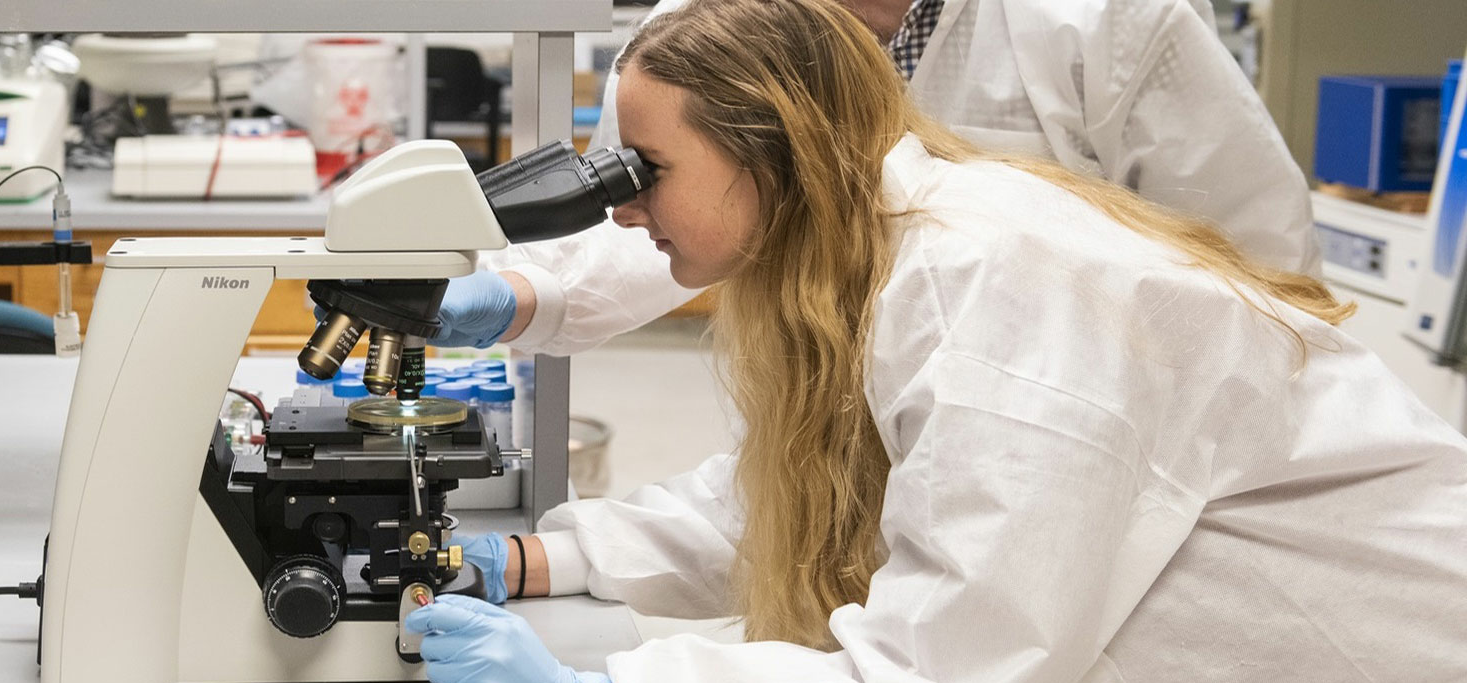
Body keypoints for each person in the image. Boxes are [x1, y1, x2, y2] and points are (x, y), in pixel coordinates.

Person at [402, 0, 1467, 683]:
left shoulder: (995, 293)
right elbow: (823, 483)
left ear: (775, 144)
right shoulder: (869, 249)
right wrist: (549, 558)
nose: (621, 209)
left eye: (643, 171)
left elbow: (941, 671)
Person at [434, 0, 1319, 356]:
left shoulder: (1104, 20)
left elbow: (1264, 268)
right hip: (834, 398)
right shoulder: (714, 19)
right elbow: (668, 205)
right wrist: (518, 293)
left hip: (1079, 410)